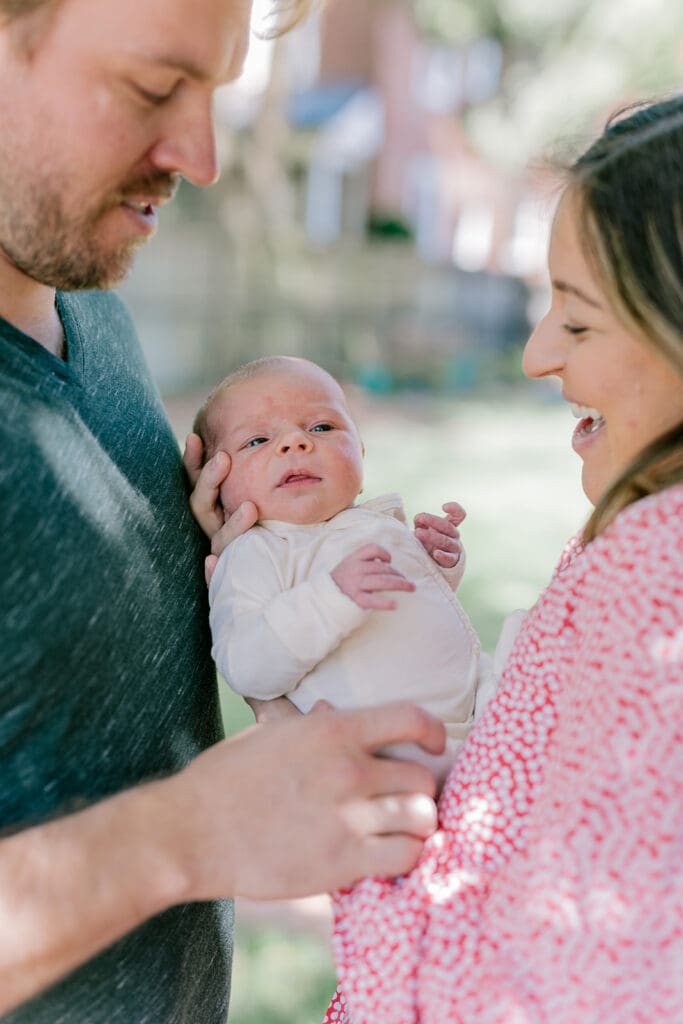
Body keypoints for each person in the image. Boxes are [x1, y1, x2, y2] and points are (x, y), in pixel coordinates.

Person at [0, 1, 447, 1020]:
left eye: (215, 93)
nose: (201, 156)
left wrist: (245, 570)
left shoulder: (87, 306)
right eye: (154, 89)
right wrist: (182, 835)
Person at [322, 95, 683, 1024]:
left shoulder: (656, 568)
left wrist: (369, 860)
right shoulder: (633, 534)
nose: (533, 357)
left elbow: (566, 987)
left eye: (577, 321)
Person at [194, 355, 513, 786]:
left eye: (321, 428)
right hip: (389, 750)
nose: (295, 443)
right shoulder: (254, 554)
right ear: (218, 483)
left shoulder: (373, 522)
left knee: (527, 636)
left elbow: (413, 603)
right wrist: (331, 598)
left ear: (360, 456)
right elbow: (247, 665)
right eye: (257, 440)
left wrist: (441, 561)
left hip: (478, 707)